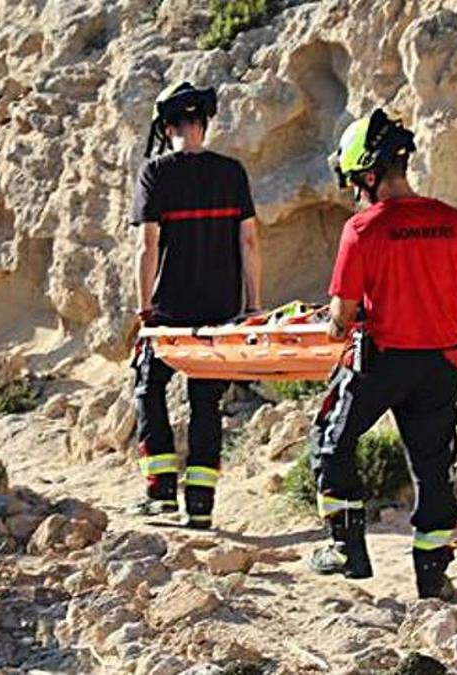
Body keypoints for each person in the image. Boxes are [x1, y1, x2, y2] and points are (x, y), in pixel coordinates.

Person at [306, 109, 457, 599]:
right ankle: (433, 577)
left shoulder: (363, 230)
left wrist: (329, 324)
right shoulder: (456, 223)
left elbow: (342, 317)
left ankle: (347, 549)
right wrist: (442, 318)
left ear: (367, 175)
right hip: (442, 364)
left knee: (331, 439)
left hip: (382, 362)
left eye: (355, 182)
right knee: (432, 468)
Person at [129, 82, 263, 530]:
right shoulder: (232, 172)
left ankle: (161, 492)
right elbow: (249, 240)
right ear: (204, 123)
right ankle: (201, 506)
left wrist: (144, 308)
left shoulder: (155, 173)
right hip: (222, 307)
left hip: (169, 307)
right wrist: (253, 305)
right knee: (206, 404)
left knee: (150, 388)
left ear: (167, 128)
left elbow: (148, 247)